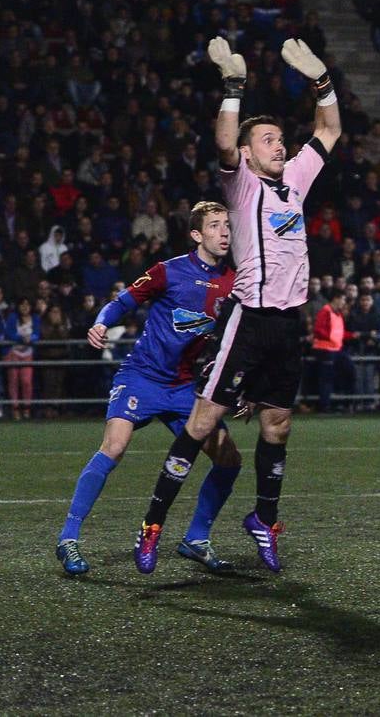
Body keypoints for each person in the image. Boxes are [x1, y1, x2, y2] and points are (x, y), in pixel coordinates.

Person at [133, 37, 339, 575]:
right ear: (249, 154)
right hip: (247, 320)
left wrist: (321, 81)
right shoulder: (242, 184)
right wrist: (233, 87)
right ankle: (153, 523)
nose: (279, 145)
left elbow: (330, 130)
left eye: (280, 138)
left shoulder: (294, 179)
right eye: (268, 139)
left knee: (278, 426)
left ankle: (263, 519)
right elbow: (225, 142)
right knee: (202, 423)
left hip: (287, 325)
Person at [55, 202, 241, 576]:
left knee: (229, 460)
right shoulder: (169, 271)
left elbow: (238, 340)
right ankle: (68, 538)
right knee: (114, 447)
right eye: (215, 226)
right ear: (196, 234)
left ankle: (196, 538)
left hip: (185, 388)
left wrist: (238, 386)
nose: (224, 232)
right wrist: (101, 322)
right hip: (141, 376)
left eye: (228, 226)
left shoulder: (235, 282)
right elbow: (123, 301)